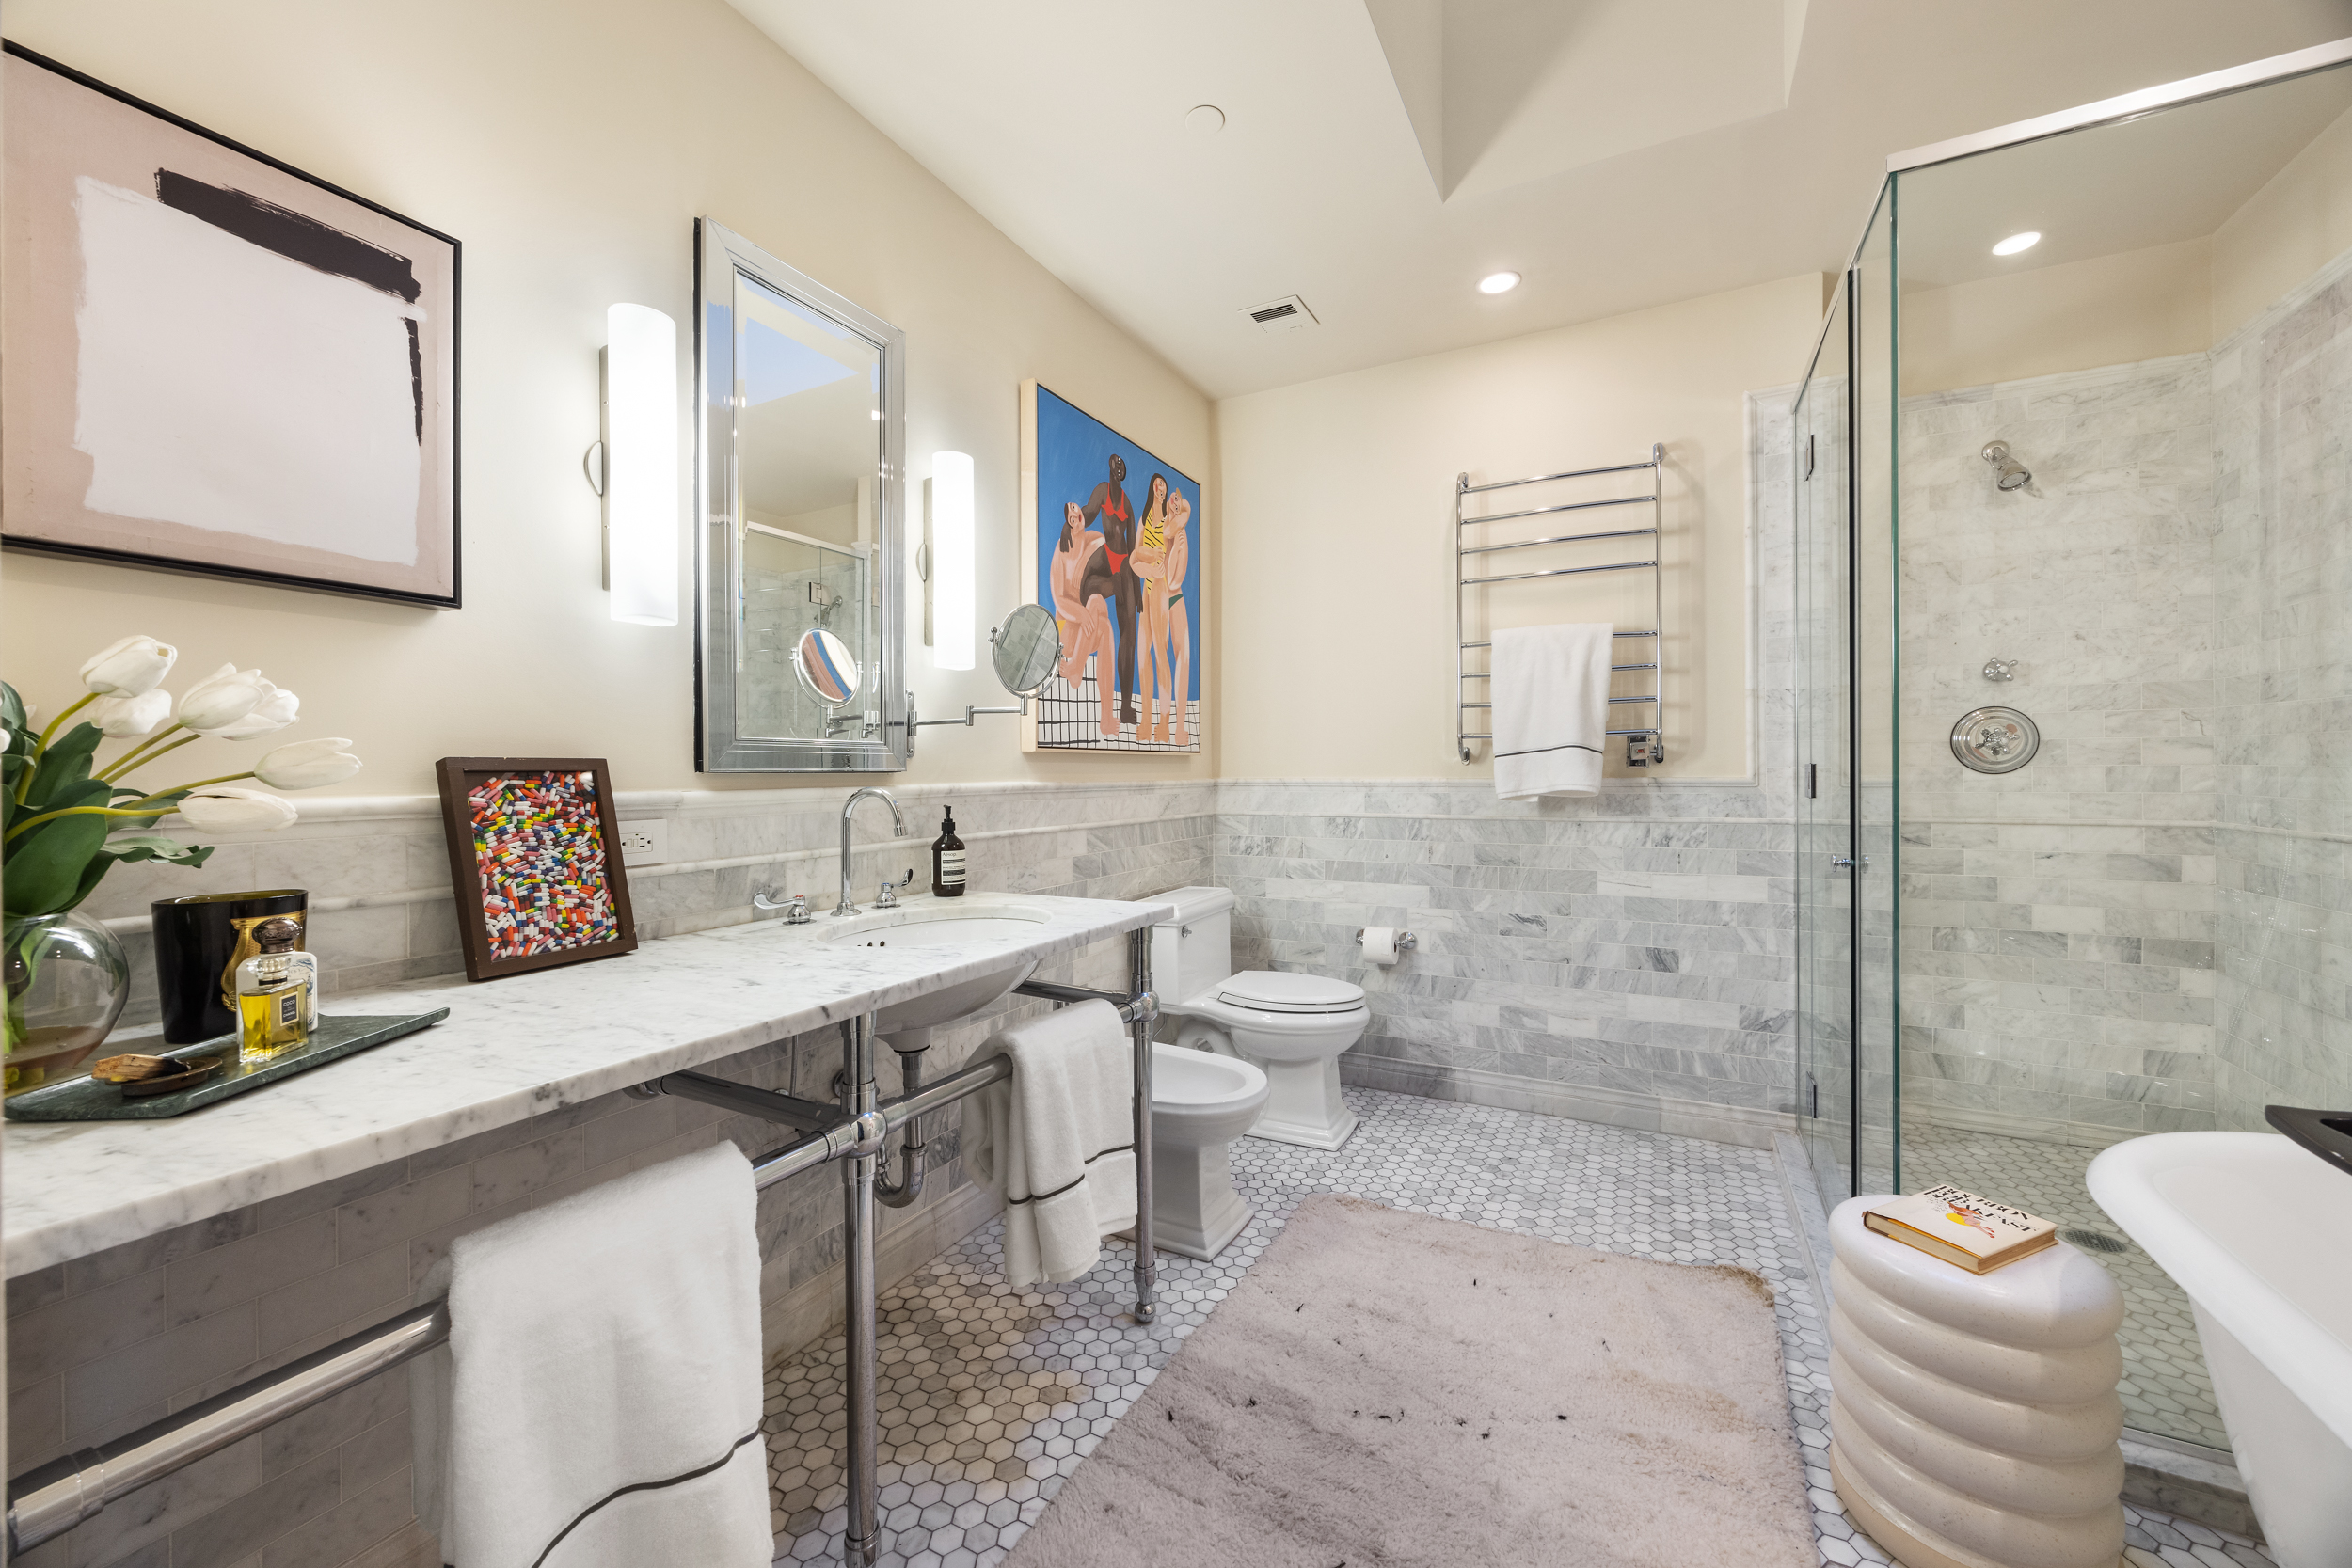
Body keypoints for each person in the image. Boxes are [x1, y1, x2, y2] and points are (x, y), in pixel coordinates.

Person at [1081, 453, 1139, 732]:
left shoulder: (1127, 502)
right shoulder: (1102, 492)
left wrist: (1136, 589)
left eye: (1122, 464)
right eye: (1116, 462)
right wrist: (1070, 524)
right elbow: (1089, 514)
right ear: (1109, 465)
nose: (1120, 466)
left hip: (1125, 563)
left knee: (1130, 636)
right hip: (1106, 559)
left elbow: (1132, 546)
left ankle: (1126, 706)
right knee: (1088, 584)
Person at [1049, 502, 1118, 737]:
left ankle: (1106, 718)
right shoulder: (1061, 550)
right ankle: (1076, 664)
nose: (1076, 515)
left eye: (1076, 509)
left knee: (1105, 624)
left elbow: (1113, 567)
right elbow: (1058, 599)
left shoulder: (1095, 539)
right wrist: (1082, 613)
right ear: (1069, 524)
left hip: (1086, 634)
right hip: (1067, 630)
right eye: (1070, 515)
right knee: (1096, 604)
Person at [1132, 475, 1174, 743]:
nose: (1160, 487)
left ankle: (1164, 722)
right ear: (1152, 488)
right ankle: (1146, 720)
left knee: (1160, 652)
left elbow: (1170, 554)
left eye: (1163, 484)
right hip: (1146, 586)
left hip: (1161, 589)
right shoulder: (1145, 517)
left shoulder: (1170, 519)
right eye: (1157, 484)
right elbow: (1134, 553)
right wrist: (1150, 558)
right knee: (1142, 654)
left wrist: (1158, 559)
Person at [1163, 490, 1193, 746]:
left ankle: (1179, 727)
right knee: (1171, 657)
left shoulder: (1179, 532)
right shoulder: (1166, 529)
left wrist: (1178, 511)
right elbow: (1171, 578)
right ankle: (1169, 725)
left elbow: (1176, 579)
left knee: (1183, 656)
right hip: (1163, 599)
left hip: (1174, 597)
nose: (1175, 505)